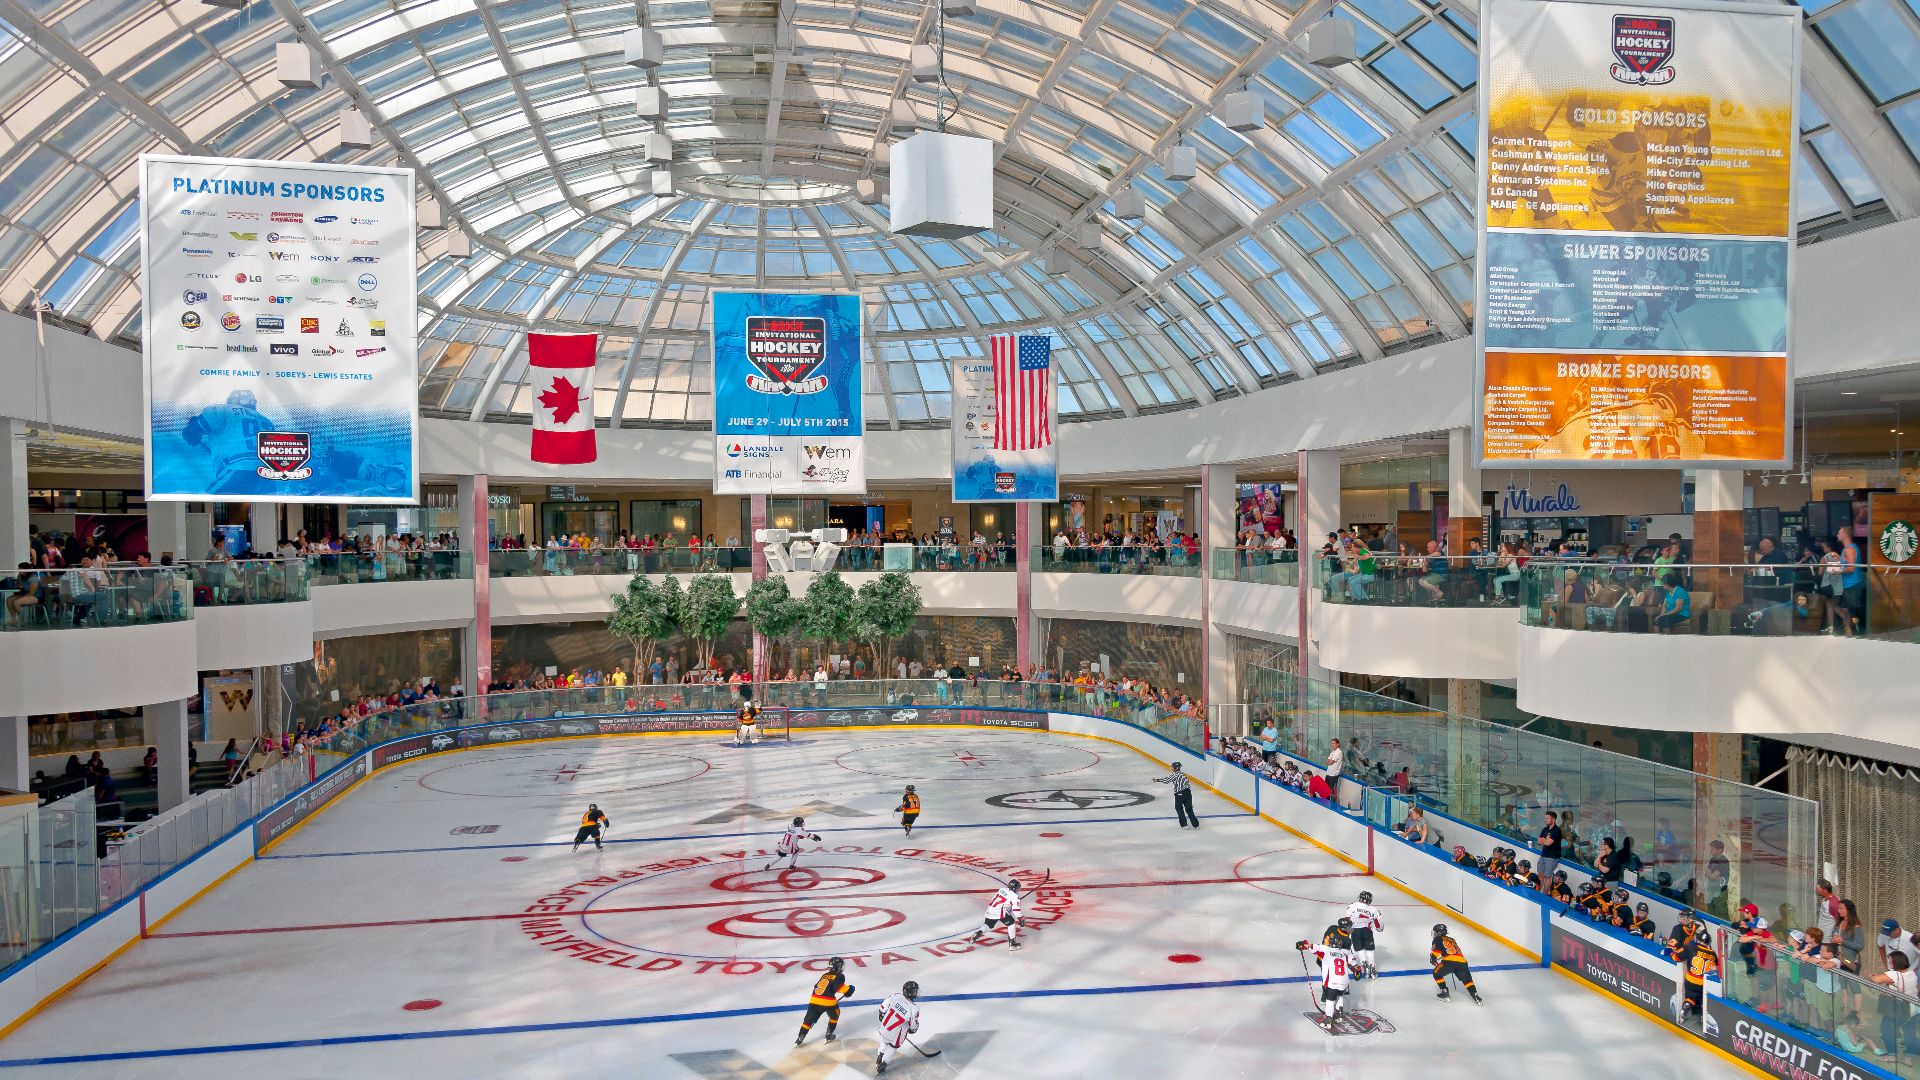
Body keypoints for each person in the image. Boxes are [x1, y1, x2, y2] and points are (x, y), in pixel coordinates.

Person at [1296, 930, 1356, 1021]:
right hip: (1344, 982)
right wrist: (1356, 969)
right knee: (1339, 995)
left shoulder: (1326, 950)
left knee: (1330, 998)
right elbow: (1354, 962)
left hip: (1332, 981)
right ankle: (1339, 1012)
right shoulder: (1345, 952)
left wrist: (1303, 944)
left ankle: (1329, 1017)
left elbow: (1312, 947)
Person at [795, 956, 854, 1047]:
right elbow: (838, 987)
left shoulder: (824, 975)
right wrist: (849, 990)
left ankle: (800, 1036)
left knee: (808, 1020)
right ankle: (829, 1034)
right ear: (839, 967)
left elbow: (819, 986)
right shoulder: (839, 975)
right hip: (828, 1002)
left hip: (814, 1000)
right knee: (835, 1014)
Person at [873, 981, 921, 1075]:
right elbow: (913, 1027)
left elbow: (883, 1007)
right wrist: (912, 1029)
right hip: (896, 1035)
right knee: (892, 1046)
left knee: (884, 1040)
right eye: (915, 991)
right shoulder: (914, 1009)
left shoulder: (895, 996)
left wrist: (882, 1014)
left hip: (884, 1028)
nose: (916, 992)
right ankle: (884, 1063)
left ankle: (880, 1055)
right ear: (911, 993)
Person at [1429, 924, 1483, 1004]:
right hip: (1462, 962)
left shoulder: (1437, 939)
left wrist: (1433, 958)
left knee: (1436, 973)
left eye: (1435, 932)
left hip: (1449, 962)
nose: (1435, 934)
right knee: (1467, 980)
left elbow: (1436, 951)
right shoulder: (1452, 939)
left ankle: (1445, 994)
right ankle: (1475, 995)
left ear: (1439, 933)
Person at [1678, 929, 1719, 1026]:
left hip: (1691, 980)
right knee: (1703, 1001)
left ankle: (1686, 1006)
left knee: (1690, 997)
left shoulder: (1691, 947)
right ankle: (1703, 1018)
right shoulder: (1713, 954)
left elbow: (1676, 957)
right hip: (1704, 984)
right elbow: (1716, 968)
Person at [971, 879, 1024, 951]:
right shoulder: (1014, 896)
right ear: (1016, 888)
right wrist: (1021, 919)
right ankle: (1012, 944)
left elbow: (1005, 901)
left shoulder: (1002, 889)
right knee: (1011, 924)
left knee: (988, 925)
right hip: (1000, 911)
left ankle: (978, 932)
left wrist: (1011, 904)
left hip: (990, 909)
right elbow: (1016, 909)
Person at [1345, 891, 1384, 978]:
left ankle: (1365, 967)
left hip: (1355, 931)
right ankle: (1372, 970)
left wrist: (1346, 932)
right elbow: (1380, 927)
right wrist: (1378, 928)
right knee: (1370, 951)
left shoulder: (1353, 905)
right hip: (1367, 931)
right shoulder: (1374, 910)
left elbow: (1346, 919)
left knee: (1360, 950)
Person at [1155, 761, 1198, 829]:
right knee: (1189, 809)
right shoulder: (1183, 774)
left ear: (1175, 768)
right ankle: (1196, 825)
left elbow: (1166, 780)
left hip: (1179, 793)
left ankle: (1184, 825)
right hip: (1188, 793)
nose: (1171, 768)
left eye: (1172, 767)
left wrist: (1157, 780)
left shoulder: (1175, 774)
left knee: (1179, 808)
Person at [1535, 810, 1563, 894]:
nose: (1545, 820)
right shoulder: (1545, 829)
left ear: (1553, 819)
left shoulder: (1557, 830)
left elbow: (1548, 843)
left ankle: (1544, 894)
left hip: (1552, 857)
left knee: (1547, 877)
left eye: (1547, 818)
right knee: (1540, 875)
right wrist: (1545, 840)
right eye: (1545, 818)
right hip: (1543, 855)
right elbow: (1539, 841)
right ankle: (1538, 892)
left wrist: (1545, 840)